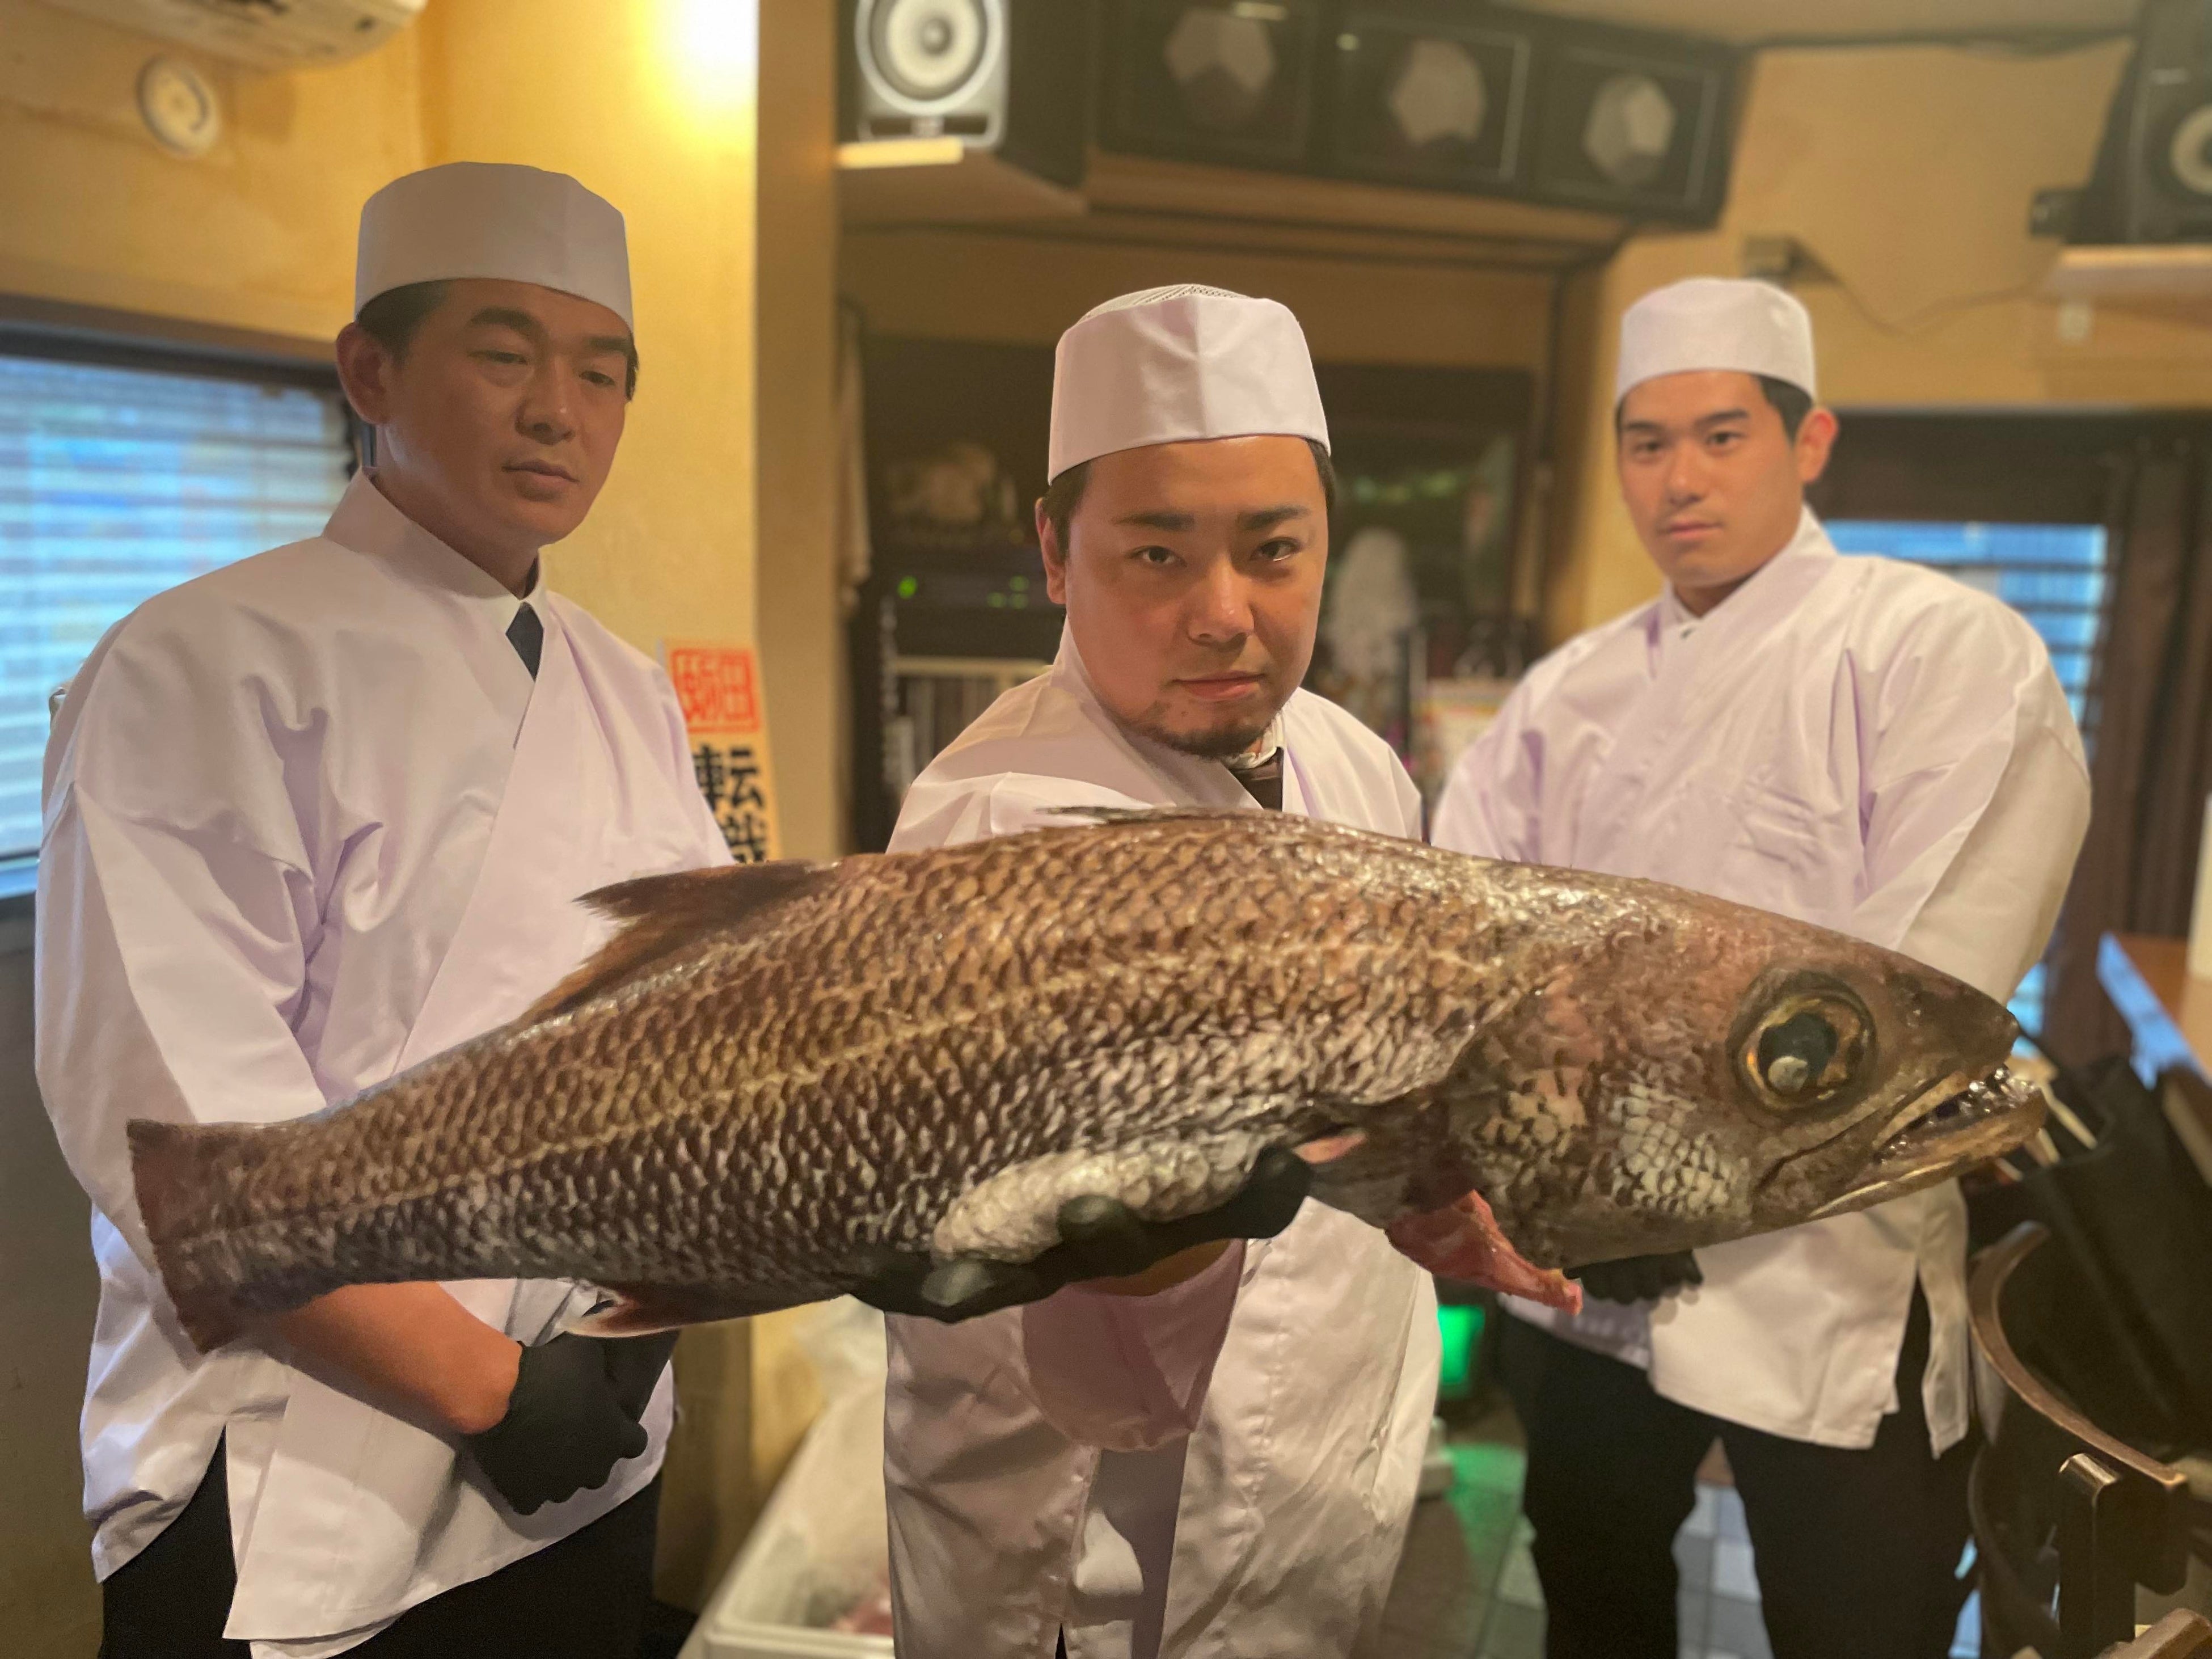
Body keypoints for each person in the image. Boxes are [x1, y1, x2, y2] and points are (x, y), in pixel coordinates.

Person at [36, 162, 738, 1659]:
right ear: (371, 370)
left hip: (588, 1434)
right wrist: (489, 1384)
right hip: (311, 1454)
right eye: (504, 354)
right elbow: (186, 1136)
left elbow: (690, 1033)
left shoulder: (624, 680)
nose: (559, 408)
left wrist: (630, 1332)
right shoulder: (197, 664)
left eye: (602, 371)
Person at [1432, 277, 2092, 1659]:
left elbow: (1915, 994)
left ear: (1811, 440)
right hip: (1589, 1269)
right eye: (1647, 440)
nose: (1679, 479)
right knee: (1594, 1579)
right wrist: (1590, 1185)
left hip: (1822, 1259)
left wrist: (1676, 1162)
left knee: (1859, 1618)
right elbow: (1471, 942)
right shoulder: (1571, 692)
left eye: (1723, 435)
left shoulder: (1941, 650)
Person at [880, 285, 1441, 1659]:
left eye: (1274, 548)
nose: (1224, 614)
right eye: (1155, 554)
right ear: (1057, 554)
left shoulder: (1359, 765)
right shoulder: (992, 825)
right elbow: (1099, 1312)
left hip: (1326, 1478)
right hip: (1088, 1553)